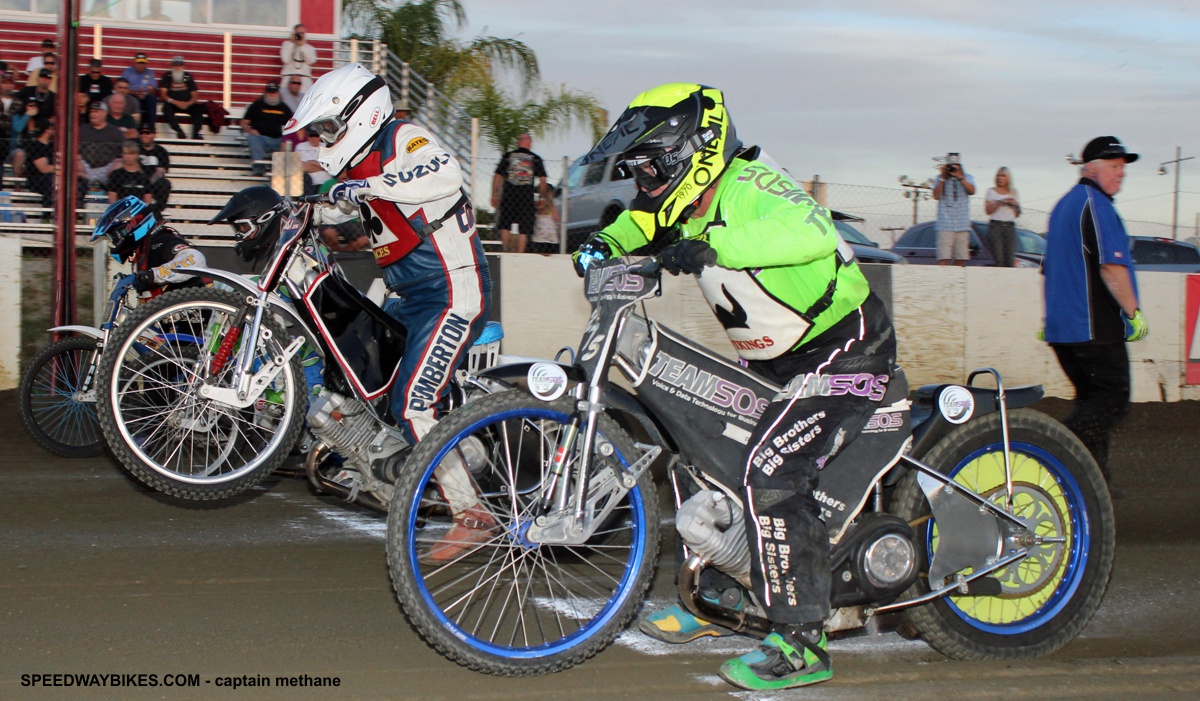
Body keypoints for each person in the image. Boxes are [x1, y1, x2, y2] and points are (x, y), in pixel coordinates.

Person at [571, 83, 895, 692]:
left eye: (651, 167)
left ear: (693, 152)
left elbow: (814, 233)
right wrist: (599, 248)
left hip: (846, 349)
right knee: (700, 447)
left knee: (771, 470)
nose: (644, 182)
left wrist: (713, 246)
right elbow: (634, 228)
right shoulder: (675, 203)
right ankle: (717, 595)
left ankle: (803, 643)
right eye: (636, 169)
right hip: (777, 366)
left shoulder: (753, 184)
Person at [284, 63, 492, 560]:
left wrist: (365, 188)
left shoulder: (404, 137)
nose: (325, 138)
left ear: (363, 112)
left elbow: (443, 172)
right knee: (368, 386)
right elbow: (344, 207)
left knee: (413, 404)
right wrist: (302, 208)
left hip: (450, 290)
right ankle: (437, 457)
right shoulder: (361, 169)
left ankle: (472, 514)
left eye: (330, 127)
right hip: (406, 298)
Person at [1042, 136, 1148, 484]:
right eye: (1114, 166)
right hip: (1093, 329)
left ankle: (1093, 481)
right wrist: (1133, 314)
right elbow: (1111, 267)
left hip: (1064, 329)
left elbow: (1051, 266)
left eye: (1122, 167)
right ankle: (1049, 450)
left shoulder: (1062, 207)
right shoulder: (1096, 204)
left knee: (1093, 401)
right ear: (1091, 168)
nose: (1121, 174)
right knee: (1112, 400)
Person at [90, 196, 207, 296]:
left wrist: (153, 275)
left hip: (192, 316)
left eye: (114, 237)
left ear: (130, 227)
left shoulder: (162, 240)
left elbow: (195, 258)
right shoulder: (144, 249)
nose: (115, 243)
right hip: (168, 317)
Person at [491, 133, 549, 253]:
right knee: (525, 227)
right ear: (529, 143)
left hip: (508, 195)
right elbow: (543, 180)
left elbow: (497, 176)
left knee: (505, 224)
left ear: (519, 142)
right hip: (526, 197)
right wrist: (542, 197)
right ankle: (520, 252)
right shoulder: (535, 158)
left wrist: (494, 194)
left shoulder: (508, 156)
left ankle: (506, 250)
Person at [931, 152, 976, 266]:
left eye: (956, 166)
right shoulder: (939, 178)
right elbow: (936, 196)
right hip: (945, 224)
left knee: (961, 258)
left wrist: (960, 177)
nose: (953, 169)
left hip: (962, 224)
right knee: (943, 258)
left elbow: (972, 191)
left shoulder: (968, 177)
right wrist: (943, 178)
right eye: (951, 166)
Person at [240, 81, 292, 177]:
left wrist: (286, 137)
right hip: (261, 138)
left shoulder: (285, 108)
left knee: (289, 141)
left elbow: (292, 125)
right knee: (253, 138)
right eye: (269, 92)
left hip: (279, 139)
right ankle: (259, 169)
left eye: (274, 92)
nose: (272, 95)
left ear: (278, 93)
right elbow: (244, 122)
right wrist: (249, 130)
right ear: (266, 92)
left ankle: (279, 171)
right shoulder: (257, 105)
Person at [77, 100, 124, 188]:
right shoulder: (82, 130)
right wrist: (77, 156)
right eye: (91, 112)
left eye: (96, 111)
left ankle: (109, 189)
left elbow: (125, 150)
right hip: (86, 169)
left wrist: (119, 159)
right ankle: (86, 185)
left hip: (107, 169)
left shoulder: (115, 132)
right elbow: (73, 149)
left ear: (104, 113)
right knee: (76, 162)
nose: (92, 114)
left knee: (120, 165)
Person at [158, 55, 206, 140]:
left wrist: (188, 103)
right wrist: (176, 102)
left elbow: (195, 95)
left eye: (179, 64)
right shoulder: (167, 77)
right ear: (172, 65)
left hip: (187, 104)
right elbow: (163, 94)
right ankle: (179, 131)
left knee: (199, 108)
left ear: (183, 66)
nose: (177, 67)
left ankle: (196, 133)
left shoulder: (187, 77)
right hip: (173, 104)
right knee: (166, 108)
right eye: (175, 64)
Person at [984, 167, 1020, 267]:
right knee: (998, 259)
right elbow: (988, 210)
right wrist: (1000, 202)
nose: (1000, 178)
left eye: (1003, 176)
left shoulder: (1014, 192)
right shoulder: (991, 191)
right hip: (996, 226)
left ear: (1008, 178)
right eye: (998, 175)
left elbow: (1017, 214)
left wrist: (1015, 205)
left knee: (1010, 258)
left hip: (1010, 226)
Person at [106, 140, 153, 205]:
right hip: (121, 210)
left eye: (131, 154)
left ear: (137, 155)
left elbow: (148, 200)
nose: (128, 157)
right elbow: (112, 199)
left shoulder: (144, 176)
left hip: (139, 211)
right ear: (122, 155)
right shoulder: (116, 174)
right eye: (125, 153)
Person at [137, 124, 172, 211]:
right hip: (137, 180)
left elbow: (160, 171)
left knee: (165, 183)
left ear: (154, 135)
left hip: (153, 183)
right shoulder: (135, 149)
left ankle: (158, 210)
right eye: (142, 133)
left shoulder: (161, 151)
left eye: (147, 132)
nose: (144, 135)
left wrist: (147, 184)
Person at [120, 52, 158, 128]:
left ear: (146, 63)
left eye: (143, 63)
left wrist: (145, 92)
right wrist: (135, 92)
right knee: (127, 97)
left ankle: (151, 127)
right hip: (132, 96)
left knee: (152, 99)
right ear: (134, 62)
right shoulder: (128, 72)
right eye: (139, 62)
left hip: (144, 96)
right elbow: (122, 88)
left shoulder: (149, 72)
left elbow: (153, 88)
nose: (141, 65)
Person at [279, 24, 317, 91]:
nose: (300, 35)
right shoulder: (286, 44)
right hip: (288, 78)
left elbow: (311, 60)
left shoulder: (309, 48)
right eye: (298, 33)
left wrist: (302, 46)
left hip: (304, 80)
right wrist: (292, 43)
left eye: (302, 33)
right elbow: (285, 59)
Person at [295, 128, 331, 195]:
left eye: (316, 136)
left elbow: (330, 167)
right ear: (308, 137)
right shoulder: (300, 147)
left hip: (325, 182)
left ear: (320, 137)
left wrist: (312, 163)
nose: (313, 138)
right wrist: (321, 167)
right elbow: (302, 167)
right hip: (307, 183)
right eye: (311, 136)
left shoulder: (326, 147)